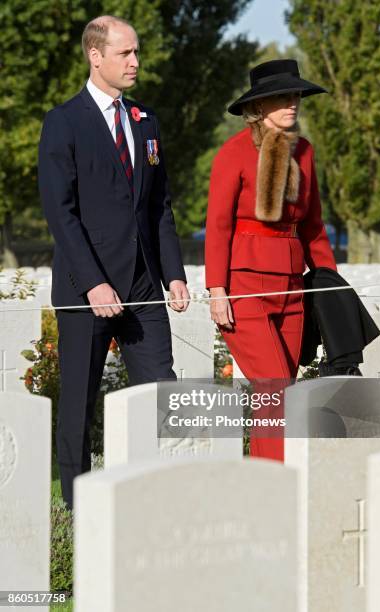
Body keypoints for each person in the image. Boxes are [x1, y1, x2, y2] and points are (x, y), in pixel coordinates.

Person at [38, 15, 189, 510]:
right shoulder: (65, 121)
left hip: (145, 286)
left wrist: (173, 273)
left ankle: (159, 502)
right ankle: (77, 515)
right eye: (125, 53)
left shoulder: (146, 120)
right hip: (89, 292)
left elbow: (159, 206)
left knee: (162, 397)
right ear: (95, 56)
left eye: (137, 52)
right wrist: (95, 283)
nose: (136, 62)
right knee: (78, 406)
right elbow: (61, 213)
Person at [205, 59, 337, 461]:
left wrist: (331, 282)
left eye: (296, 95)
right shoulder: (233, 153)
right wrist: (217, 290)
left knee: (284, 391)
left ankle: (271, 478)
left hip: (292, 285)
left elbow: (313, 225)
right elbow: (218, 225)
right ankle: (275, 483)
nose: (292, 103)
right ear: (258, 106)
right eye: (282, 96)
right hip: (244, 285)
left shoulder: (307, 152)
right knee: (274, 385)